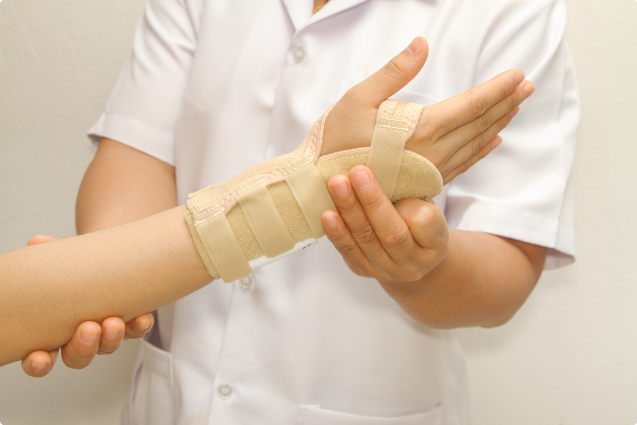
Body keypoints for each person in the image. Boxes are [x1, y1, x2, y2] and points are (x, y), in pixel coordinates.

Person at [17, 0, 580, 423]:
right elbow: (136, 152)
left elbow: (510, 259)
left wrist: (424, 264)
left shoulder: (513, 10)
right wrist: (109, 275)